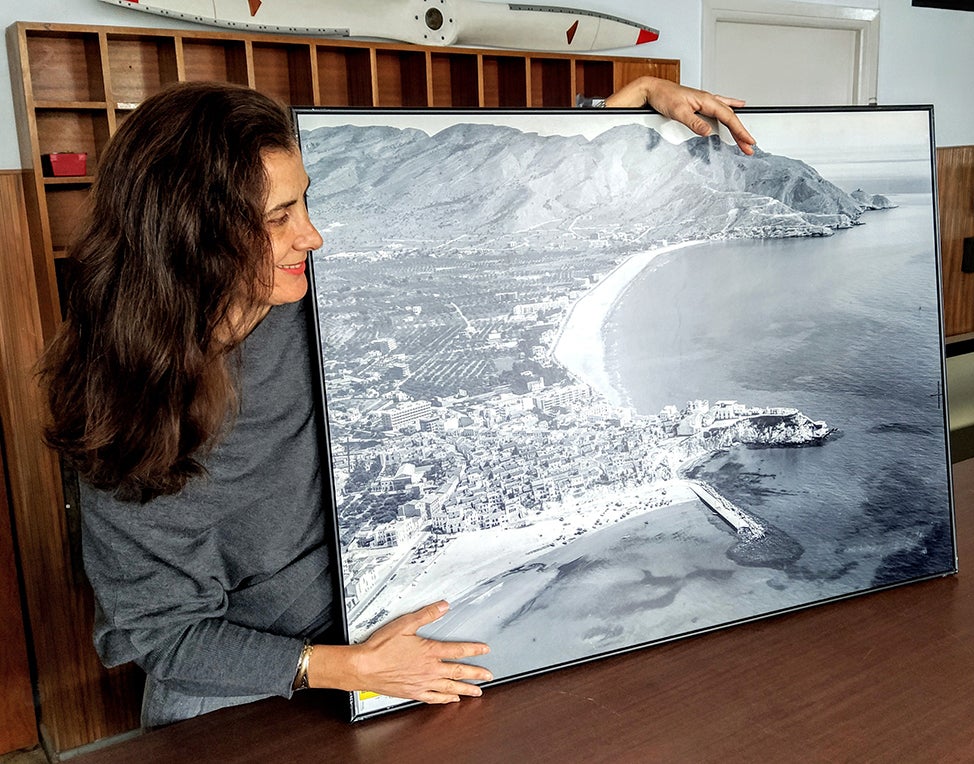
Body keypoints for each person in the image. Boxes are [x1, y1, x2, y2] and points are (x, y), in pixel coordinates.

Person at [37, 76, 755, 728]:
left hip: (369, 628)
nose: (311, 237)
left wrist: (630, 109)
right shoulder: (125, 404)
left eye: (305, 200)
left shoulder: (311, 297)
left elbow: (494, 177)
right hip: (233, 685)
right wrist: (344, 668)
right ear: (192, 235)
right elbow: (164, 634)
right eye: (278, 217)